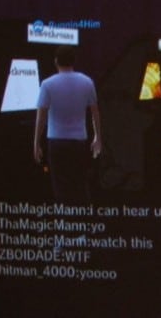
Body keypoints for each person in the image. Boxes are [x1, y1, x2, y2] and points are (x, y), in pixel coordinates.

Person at [33, 45, 101, 204]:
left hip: (56, 142)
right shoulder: (87, 82)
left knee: (60, 188)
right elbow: (95, 113)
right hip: (79, 141)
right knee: (80, 184)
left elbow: (41, 117)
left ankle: (65, 216)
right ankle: (82, 216)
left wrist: (36, 143)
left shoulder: (47, 84)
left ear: (56, 61)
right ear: (74, 61)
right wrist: (98, 137)